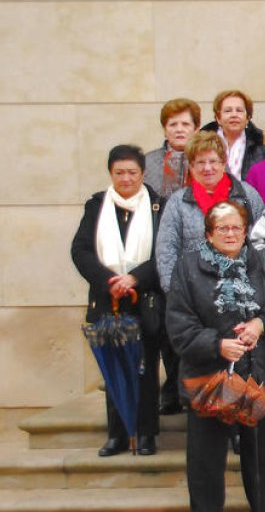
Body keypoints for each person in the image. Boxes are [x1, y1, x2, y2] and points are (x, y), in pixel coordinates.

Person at [165, 201, 265, 512]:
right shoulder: (188, 268)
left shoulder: (264, 262)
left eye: (237, 228)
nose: (230, 233)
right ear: (208, 233)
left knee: (261, 468)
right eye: (222, 228)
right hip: (210, 379)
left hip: (258, 377)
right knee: (205, 467)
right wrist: (217, 344)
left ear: (246, 232)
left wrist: (262, 323)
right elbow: (179, 325)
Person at [156, 131, 264, 414]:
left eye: (214, 161)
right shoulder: (178, 203)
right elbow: (166, 253)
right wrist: (179, 296)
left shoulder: (246, 195)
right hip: (196, 302)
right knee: (207, 364)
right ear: (190, 166)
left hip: (241, 299)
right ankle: (212, 423)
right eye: (200, 162)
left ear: (225, 162)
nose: (207, 168)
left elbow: (261, 243)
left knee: (240, 366)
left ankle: (240, 425)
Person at [71, 145, 164, 457]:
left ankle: (147, 434)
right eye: (119, 172)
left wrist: (135, 278)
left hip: (144, 299)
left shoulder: (156, 206)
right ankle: (118, 435)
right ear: (111, 173)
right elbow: (81, 250)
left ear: (142, 173)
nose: (126, 178)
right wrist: (107, 280)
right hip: (107, 299)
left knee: (146, 369)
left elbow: (164, 254)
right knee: (113, 371)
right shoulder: (97, 205)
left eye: (132, 172)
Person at [202, 89, 265, 181]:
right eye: (228, 111)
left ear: (248, 117)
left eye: (239, 110)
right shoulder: (201, 143)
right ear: (218, 118)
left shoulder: (263, 144)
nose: (234, 115)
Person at [145, 98, 200, 200]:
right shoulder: (147, 162)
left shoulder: (212, 160)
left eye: (185, 124)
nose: (179, 130)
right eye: (173, 125)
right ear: (164, 130)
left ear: (196, 129)